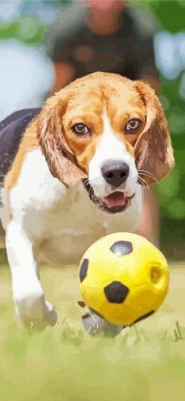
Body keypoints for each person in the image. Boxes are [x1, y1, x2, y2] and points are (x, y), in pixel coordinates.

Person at [45, 0, 161, 245]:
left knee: (141, 168)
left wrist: (139, 130)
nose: (103, 4)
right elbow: (61, 87)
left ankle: (146, 243)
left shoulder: (141, 26)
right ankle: (56, 239)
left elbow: (149, 84)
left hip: (124, 106)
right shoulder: (67, 28)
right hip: (80, 107)